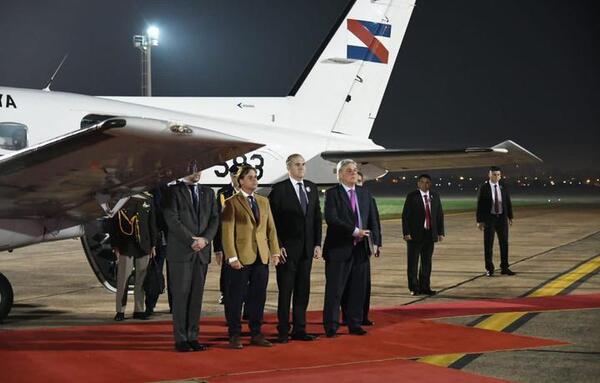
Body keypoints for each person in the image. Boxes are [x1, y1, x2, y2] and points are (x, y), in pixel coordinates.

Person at [221, 165, 281, 349]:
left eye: (256, 177)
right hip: (241, 258)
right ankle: (234, 334)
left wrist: (275, 251)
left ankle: (256, 333)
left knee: (258, 297)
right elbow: (227, 232)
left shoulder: (263, 201)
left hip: (261, 258)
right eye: (250, 177)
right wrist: (232, 257)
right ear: (240, 181)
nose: (255, 180)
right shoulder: (231, 202)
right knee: (235, 298)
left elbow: (271, 229)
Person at [322, 159, 381, 338]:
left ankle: (354, 323)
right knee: (335, 291)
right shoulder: (333, 194)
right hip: (339, 249)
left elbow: (372, 219)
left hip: (361, 250)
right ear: (340, 174)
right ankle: (331, 327)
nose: (354, 173)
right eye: (349, 170)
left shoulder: (365, 193)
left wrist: (376, 242)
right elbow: (332, 218)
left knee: (358, 290)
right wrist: (355, 231)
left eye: (355, 170)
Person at [163, 168, 219, 352]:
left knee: (196, 297)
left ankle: (193, 336)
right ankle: (181, 339)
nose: (197, 174)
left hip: (201, 252)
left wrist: (205, 240)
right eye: (193, 170)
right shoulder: (173, 192)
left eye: (200, 170)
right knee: (180, 297)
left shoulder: (208, 192)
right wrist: (191, 240)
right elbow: (172, 220)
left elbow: (214, 219)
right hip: (181, 252)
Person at [269, 154, 322, 343]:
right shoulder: (279, 190)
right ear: (289, 168)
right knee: (286, 291)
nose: (301, 168)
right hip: (287, 251)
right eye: (297, 165)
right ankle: (283, 330)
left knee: (302, 290)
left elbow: (316, 217)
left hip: (307, 250)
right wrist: (278, 246)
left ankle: (300, 328)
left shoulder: (311, 188)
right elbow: (272, 222)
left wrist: (317, 244)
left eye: (303, 164)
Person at [341, 171, 381, 326]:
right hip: (345, 246)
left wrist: (376, 243)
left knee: (364, 284)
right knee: (346, 284)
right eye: (354, 181)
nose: (356, 184)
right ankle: (346, 315)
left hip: (363, 247)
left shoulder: (368, 198)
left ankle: (362, 315)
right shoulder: (342, 197)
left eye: (359, 181)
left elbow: (374, 221)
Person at [109, 192, 158, 321]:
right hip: (126, 245)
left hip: (144, 245)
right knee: (123, 280)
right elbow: (113, 223)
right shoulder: (120, 200)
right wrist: (115, 244)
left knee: (141, 280)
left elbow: (152, 223)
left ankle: (139, 309)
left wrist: (153, 244)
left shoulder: (147, 200)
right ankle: (120, 310)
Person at [401, 174, 444, 296]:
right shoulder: (412, 196)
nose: (425, 184)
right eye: (422, 182)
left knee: (426, 263)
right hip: (414, 235)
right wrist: (406, 232)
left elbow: (439, 215)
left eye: (427, 182)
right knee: (413, 263)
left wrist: (440, 232)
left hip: (429, 234)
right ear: (418, 183)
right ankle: (414, 287)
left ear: (430, 184)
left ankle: (425, 287)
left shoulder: (435, 196)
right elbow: (405, 216)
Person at [476, 166, 514, 277]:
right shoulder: (484, 187)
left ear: (500, 176)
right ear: (489, 175)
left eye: (498, 175)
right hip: (489, 219)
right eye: (494, 174)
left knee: (504, 243)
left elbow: (507, 202)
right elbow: (480, 204)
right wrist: (479, 220)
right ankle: (489, 268)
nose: (496, 177)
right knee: (488, 244)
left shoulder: (504, 186)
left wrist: (510, 216)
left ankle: (505, 267)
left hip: (502, 218)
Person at [214, 164, 240, 305]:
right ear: (231, 176)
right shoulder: (223, 193)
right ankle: (225, 292)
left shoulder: (247, 191)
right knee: (227, 268)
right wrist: (217, 247)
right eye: (236, 176)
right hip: (227, 237)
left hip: (243, 238)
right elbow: (218, 220)